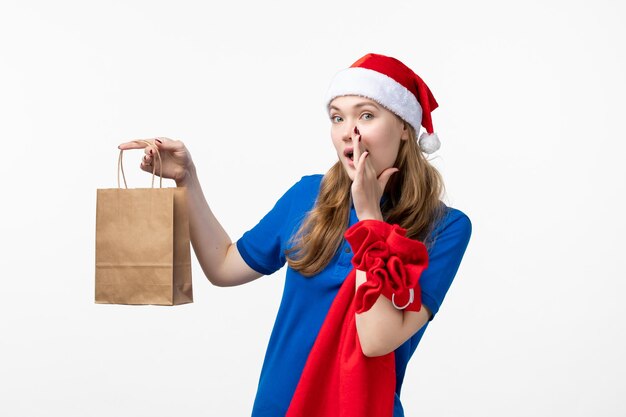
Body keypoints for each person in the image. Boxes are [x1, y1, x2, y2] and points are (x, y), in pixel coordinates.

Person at [118, 53, 472, 417]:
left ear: (403, 127)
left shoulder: (446, 227)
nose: (349, 131)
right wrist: (186, 179)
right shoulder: (308, 196)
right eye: (338, 117)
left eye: (366, 115)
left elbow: (376, 338)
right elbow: (224, 267)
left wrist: (369, 217)